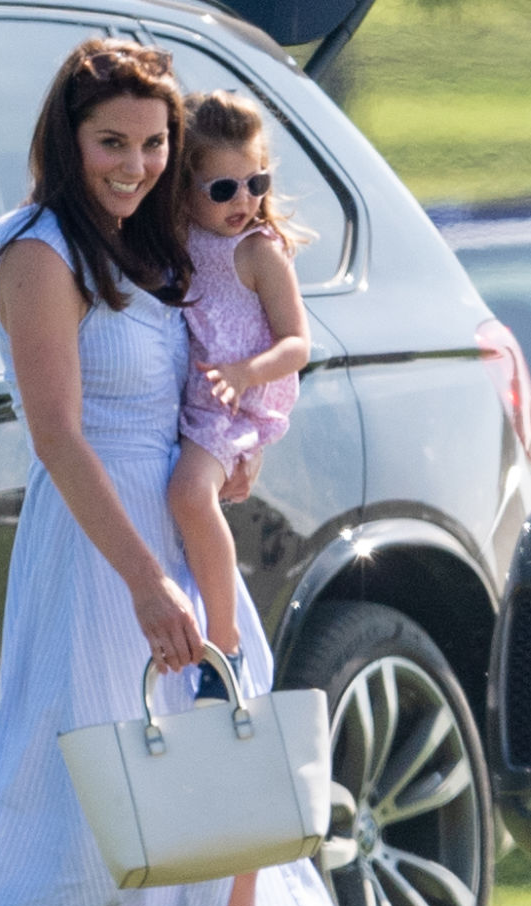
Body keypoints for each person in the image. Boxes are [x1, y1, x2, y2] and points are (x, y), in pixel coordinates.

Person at [0, 38, 353, 906]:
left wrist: (236, 449)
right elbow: (59, 437)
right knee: (66, 836)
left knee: (229, 816)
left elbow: (219, 372)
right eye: (112, 141)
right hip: (101, 560)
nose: (136, 164)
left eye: (154, 145)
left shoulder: (147, 249)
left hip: (183, 547)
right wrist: (147, 582)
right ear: (66, 141)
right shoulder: (40, 253)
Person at [169, 90, 311, 704]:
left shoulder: (258, 250)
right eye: (223, 189)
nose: (244, 201)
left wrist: (246, 374)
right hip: (192, 394)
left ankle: (224, 646)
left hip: (232, 405)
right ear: (183, 189)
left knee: (189, 495)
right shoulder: (177, 236)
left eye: (257, 183)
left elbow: (297, 344)